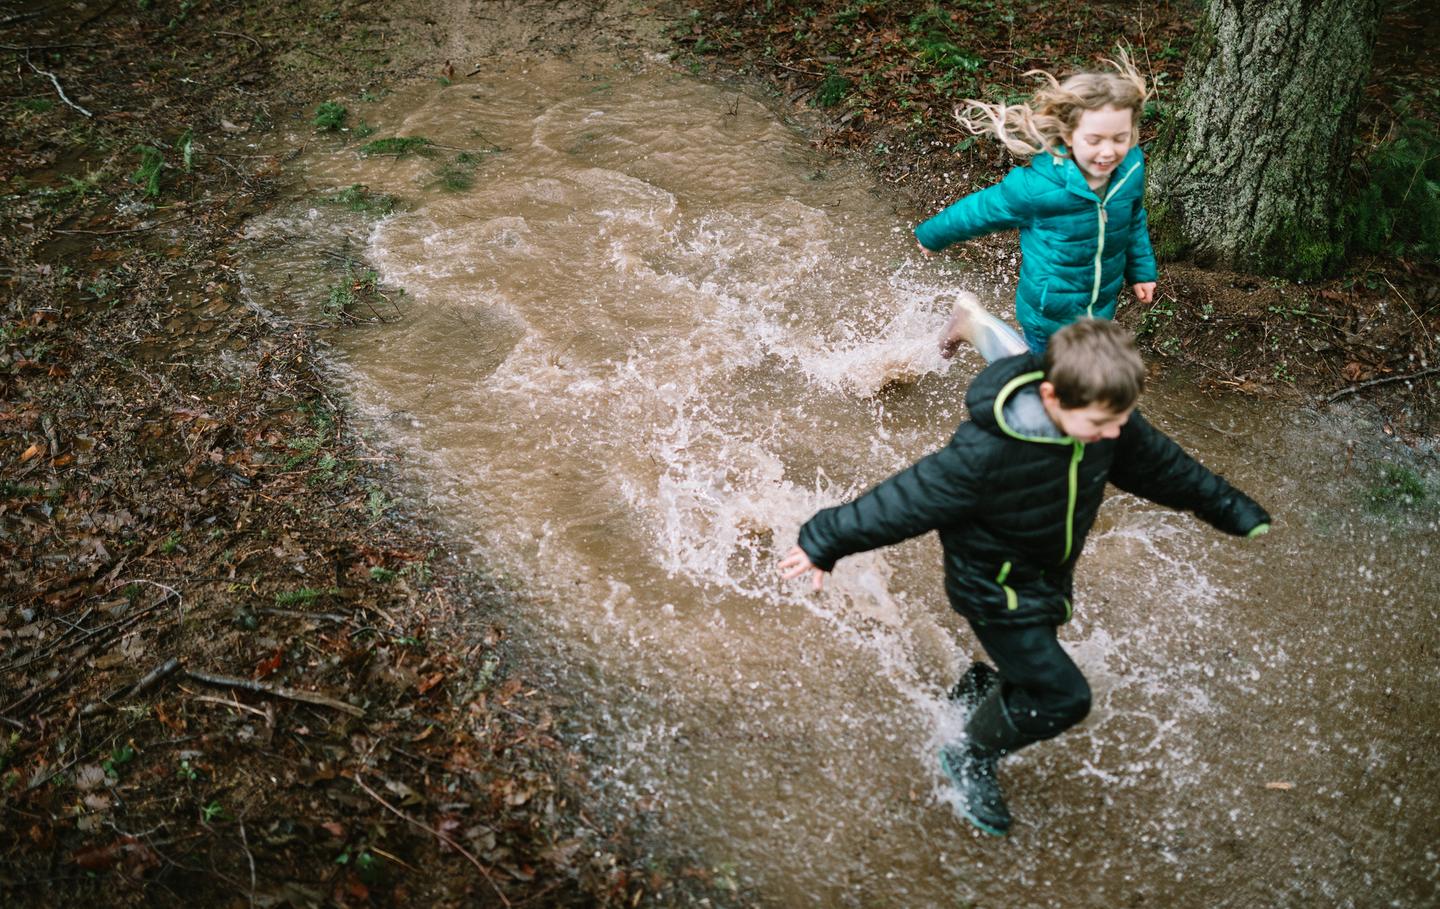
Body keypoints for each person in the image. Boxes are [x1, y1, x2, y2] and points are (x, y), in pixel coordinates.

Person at [778, 320, 1270, 836]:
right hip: (994, 588)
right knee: (1064, 696)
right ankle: (969, 755)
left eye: (1122, 420)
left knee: (1033, 667)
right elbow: (901, 501)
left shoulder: (1103, 414)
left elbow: (1168, 469)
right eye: (1102, 423)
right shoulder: (984, 456)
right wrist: (822, 540)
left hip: (1044, 575)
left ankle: (981, 692)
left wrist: (1228, 506)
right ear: (1052, 395)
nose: (1114, 434)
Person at [916, 53, 1158, 356]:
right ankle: (972, 324)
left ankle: (972, 324)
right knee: (1039, 380)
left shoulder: (1130, 169)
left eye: (1120, 138)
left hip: (1098, 309)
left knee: (1066, 379)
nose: (1108, 152)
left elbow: (1133, 218)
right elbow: (983, 210)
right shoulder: (1039, 186)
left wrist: (1142, 271)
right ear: (1069, 134)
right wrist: (933, 234)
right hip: (1049, 313)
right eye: (1094, 140)